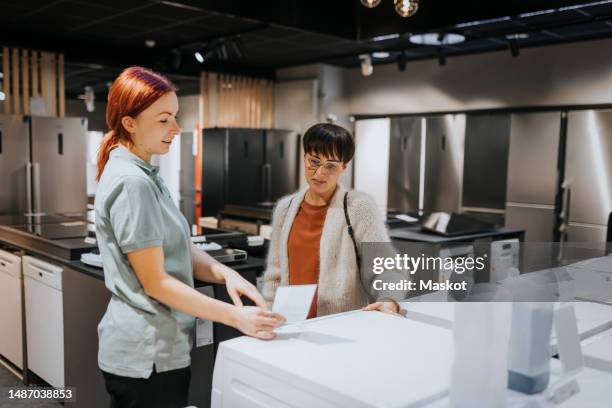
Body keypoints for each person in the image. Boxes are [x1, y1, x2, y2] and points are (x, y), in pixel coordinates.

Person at [94, 66, 284, 408]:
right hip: (147, 354)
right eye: (164, 119)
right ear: (130, 123)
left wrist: (227, 273)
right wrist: (235, 317)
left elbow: (180, 248)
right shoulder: (132, 183)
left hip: (160, 347)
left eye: (175, 117)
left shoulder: (147, 174)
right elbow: (157, 283)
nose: (176, 129)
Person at [262, 123, 404, 318]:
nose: (319, 173)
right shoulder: (285, 209)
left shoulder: (359, 207)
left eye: (330, 165)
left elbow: (387, 267)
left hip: (341, 325)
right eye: (314, 161)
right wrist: (269, 313)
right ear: (304, 158)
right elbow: (275, 275)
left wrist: (389, 300)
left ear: (343, 166)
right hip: (291, 323)